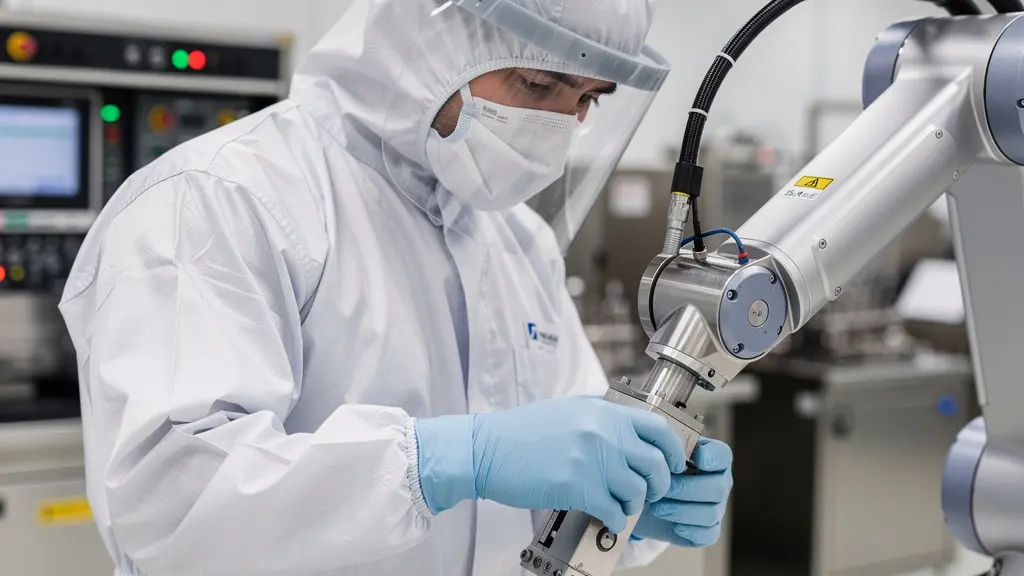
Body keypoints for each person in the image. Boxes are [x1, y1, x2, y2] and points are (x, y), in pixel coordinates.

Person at [58, 0, 734, 574]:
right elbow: (172, 508)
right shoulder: (219, 203)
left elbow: (561, 469)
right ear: (432, 35)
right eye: (537, 85)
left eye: (586, 101)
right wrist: (441, 461)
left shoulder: (516, 243)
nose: (561, 126)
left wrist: (632, 499)